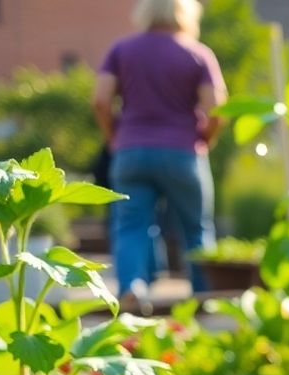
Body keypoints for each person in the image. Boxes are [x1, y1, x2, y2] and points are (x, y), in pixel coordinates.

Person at [93, 0, 225, 311]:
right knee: (196, 227)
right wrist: (206, 137)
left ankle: (132, 287)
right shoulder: (197, 53)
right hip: (183, 153)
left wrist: (115, 138)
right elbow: (216, 108)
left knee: (130, 224)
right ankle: (204, 297)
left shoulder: (121, 50)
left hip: (130, 152)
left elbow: (100, 101)